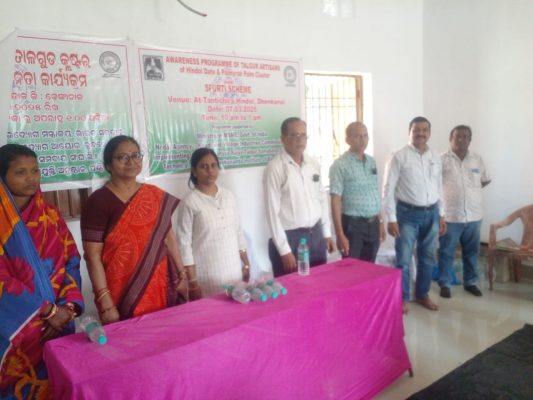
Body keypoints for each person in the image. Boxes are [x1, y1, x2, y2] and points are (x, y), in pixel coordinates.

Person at [0, 144, 84, 399]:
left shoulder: (51, 215)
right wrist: (47, 312)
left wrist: (67, 309)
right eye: (21, 172)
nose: (31, 178)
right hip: (16, 328)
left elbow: (71, 260)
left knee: (59, 384)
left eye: (35, 170)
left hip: (59, 320)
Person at [81, 135, 187, 324]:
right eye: (122, 157)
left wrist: (182, 275)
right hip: (120, 292)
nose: (131, 161)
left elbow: (169, 238)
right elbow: (92, 256)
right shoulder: (98, 201)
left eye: (136, 155)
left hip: (161, 285)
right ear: (108, 165)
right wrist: (105, 301)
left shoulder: (154, 195)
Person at [382, 116, 446, 313]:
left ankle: (422, 294)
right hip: (407, 215)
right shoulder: (398, 156)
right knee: (404, 259)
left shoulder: (435, 156)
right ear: (409, 132)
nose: (421, 133)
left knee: (427, 258)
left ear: (429, 133)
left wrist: (442, 214)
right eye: (416, 130)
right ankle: (402, 298)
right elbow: (388, 189)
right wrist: (391, 219)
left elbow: (439, 186)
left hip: (432, 214)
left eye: (424, 130)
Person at [264, 117, 334, 277]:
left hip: (315, 235)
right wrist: (284, 250)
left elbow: (322, 199)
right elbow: (271, 213)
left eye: (303, 135)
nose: (300, 140)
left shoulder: (313, 163)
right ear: (283, 139)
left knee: (319, 284)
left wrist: (326, 233)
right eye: (294, 135)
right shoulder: (275, 168)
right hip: (290, 239)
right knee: (293, 289)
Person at [176, 148, 250, 298]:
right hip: (207, 278)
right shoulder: (189, 201)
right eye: (204, 166)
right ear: (194, 171)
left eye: (213, 165)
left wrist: (246, 264)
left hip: (234, 272)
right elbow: (184, 245)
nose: (210, 170)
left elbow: (238, 231)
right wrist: (193, 282)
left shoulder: (228, 196)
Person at [438, 125, 491, 298]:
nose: (461, 139)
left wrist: (469, 192)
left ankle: (470, 282)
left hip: (474, 215)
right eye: (457, 136)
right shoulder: (441, 160)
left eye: (465, 136)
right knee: (446, 251)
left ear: (470, 140)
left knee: (472, 252)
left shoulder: (477, 159)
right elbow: (434, 185)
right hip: (450, 216)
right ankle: (445, 283)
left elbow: (484, 180)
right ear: (450, 138)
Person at [329, 122, 386, 262]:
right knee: (351, 269)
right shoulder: (340, 165)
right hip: (353, 226)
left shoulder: (371, 161)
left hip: (373, 224)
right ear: (348, 140)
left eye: (365, 135)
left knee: (370, 267)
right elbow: (335, 201)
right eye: (357, 136)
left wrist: (380, 222)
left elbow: (374, 193)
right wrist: (340, 234)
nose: (363, 140)